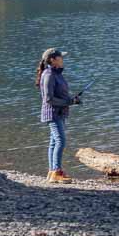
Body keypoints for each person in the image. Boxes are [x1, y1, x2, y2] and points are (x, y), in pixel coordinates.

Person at [36, 48, 80, 184]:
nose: (63, 59)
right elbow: (49, 99)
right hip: (53, 113)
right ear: (53, 60)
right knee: (61, 140)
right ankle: (57, 171)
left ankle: (52, 172)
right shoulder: (49, 74)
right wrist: (69, 102)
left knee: (54, 142)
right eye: (61, 57)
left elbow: (60, 95)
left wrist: (72, 100)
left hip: (59, 113)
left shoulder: (56, 73)